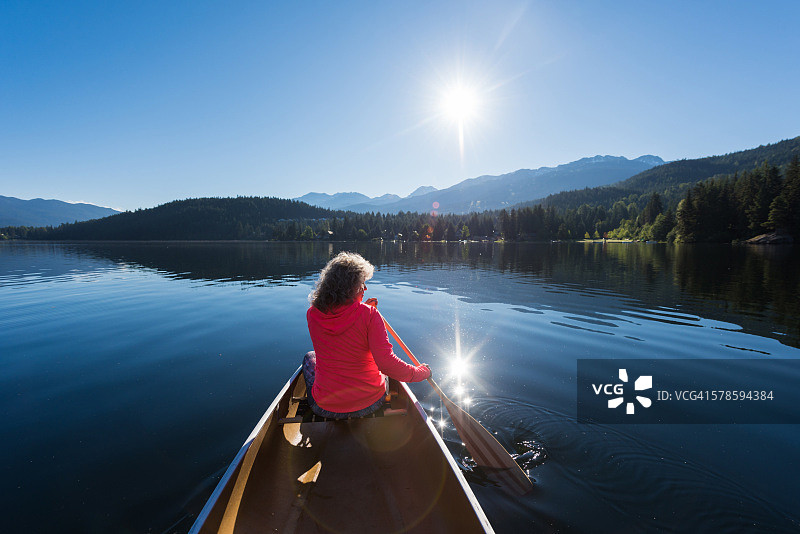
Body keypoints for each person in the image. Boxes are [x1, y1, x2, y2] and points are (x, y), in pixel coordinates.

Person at [305, 251, 431, 419]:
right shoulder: (369, 315)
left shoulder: (313, 313)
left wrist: (361, 308)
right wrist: (421, 373)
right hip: (370, 404)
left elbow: (340, 330)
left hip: (325, 407)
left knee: (309, 358)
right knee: (383, 367)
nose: (365, 288)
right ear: (349, 288)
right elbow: (386, 364)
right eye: (362, 283)